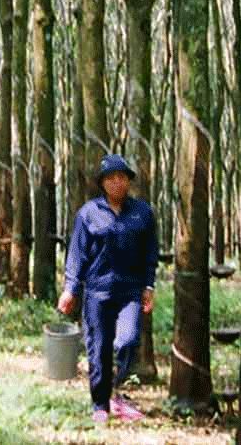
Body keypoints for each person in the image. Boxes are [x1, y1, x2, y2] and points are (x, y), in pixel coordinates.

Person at [57, 153, 158, 424]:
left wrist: (149, 286)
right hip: (97, 292)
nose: (117, 183)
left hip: (131, 291)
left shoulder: (143, 213)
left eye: (122, 177)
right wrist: (70, 289)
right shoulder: (88, 213)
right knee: (98, 348)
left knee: (127, 340)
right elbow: (77, 254)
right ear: (102, 183)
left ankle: (117, 390)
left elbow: (150, 253)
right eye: (111, 178)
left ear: (129, 181)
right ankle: (100, 403)